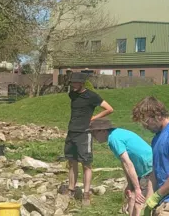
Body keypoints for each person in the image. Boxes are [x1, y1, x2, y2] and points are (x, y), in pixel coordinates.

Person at [59, 72, 113, 206]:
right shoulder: (72, 94)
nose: (73, 85)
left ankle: (86, 194)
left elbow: (109, 109)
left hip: (84, 133)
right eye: (72, 83)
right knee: (71, 162)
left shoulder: (92, 96)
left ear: (81, 83)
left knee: (86, 164)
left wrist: (94, 118)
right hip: (72, 132)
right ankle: (71, 190)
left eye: (75, 83)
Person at [90, 118, 153, 216]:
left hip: (149, 168)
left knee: (139, 204)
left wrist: (137, 188)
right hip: (142, 168)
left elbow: (128, 163)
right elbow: (124, 163)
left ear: (102, 130)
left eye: (93, 133)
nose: (94, 137)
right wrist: (130, 183)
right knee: (131, 197)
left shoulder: (113, 139)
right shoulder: (116, 134)